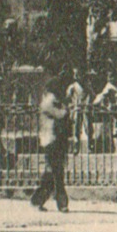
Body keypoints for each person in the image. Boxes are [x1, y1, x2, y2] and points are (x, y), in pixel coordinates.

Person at [30, 62, 74, 213]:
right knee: (57, 172)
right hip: (51, 140)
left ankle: (38, 199)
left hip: (56, 139)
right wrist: (66, 110)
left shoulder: (54, 101)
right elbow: (60, 114)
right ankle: (62, 202)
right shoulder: (50, 102)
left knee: (53, 171)